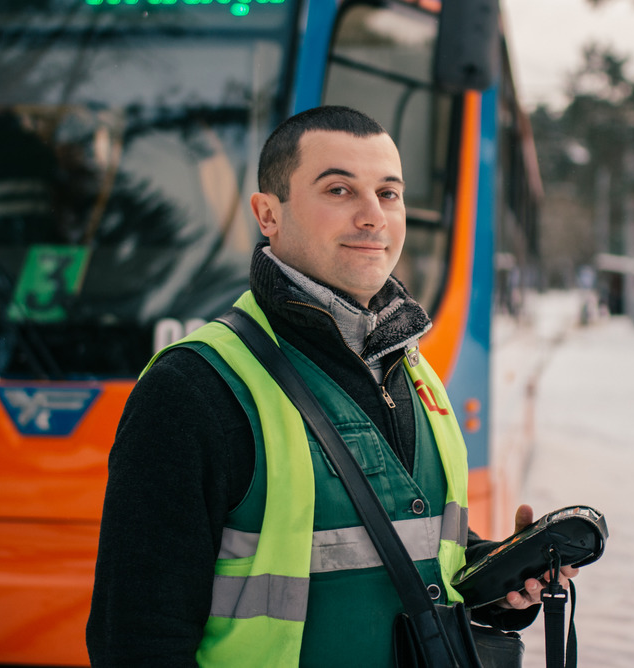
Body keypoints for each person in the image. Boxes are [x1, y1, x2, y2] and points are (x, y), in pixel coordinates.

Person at [86, 105, 576, 666]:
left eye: (388, 194)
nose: (373, 217)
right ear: (268, 214)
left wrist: (500, 579)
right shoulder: (192, 388)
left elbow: (410, 548)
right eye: (339, 190)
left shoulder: (411, 366)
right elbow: (137, 639)